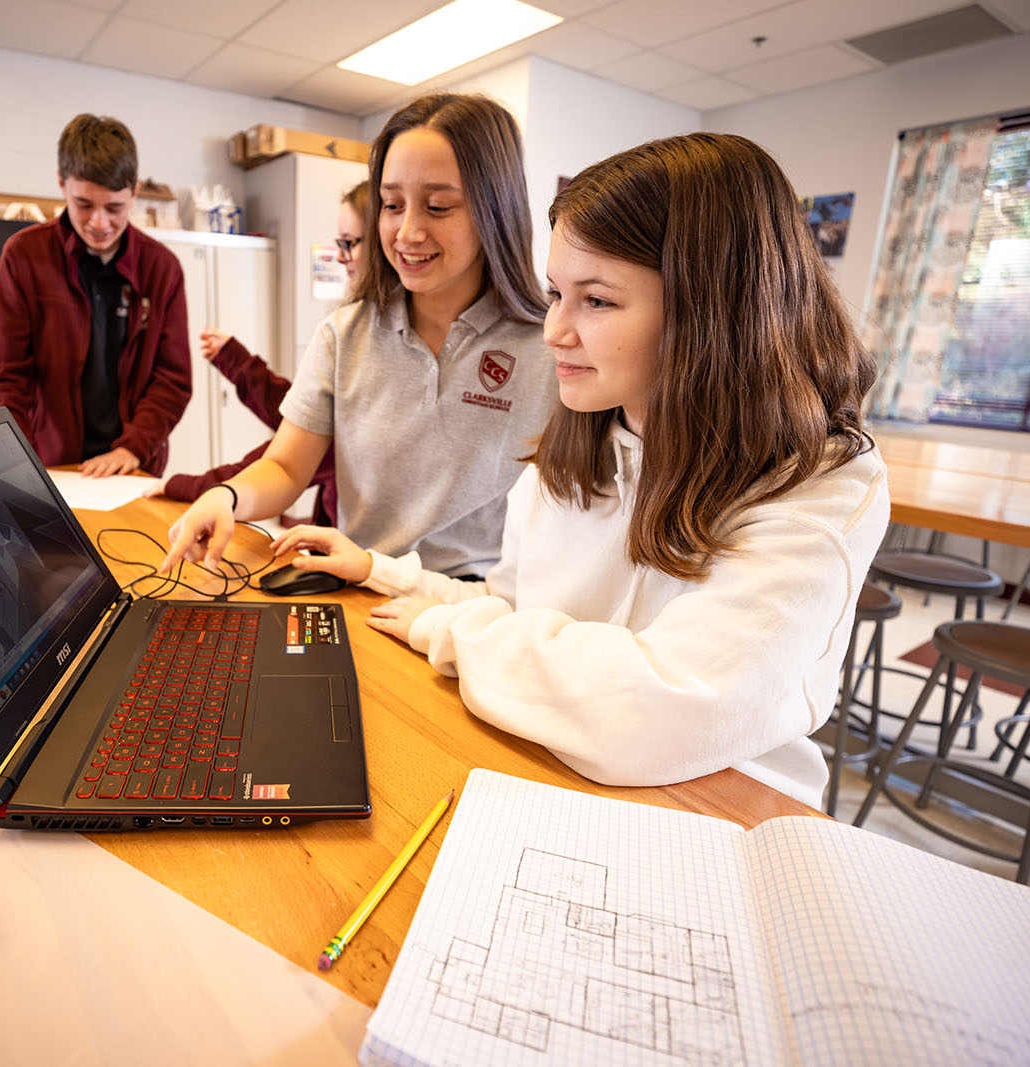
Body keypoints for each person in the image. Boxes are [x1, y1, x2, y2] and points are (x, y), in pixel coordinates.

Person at [269, 133, 890, 808]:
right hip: (560, 767)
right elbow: (513, 605)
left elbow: (657, 709)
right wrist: (381, 572)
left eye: (595, 300)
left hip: (721, 806)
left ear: (709, 310)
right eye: (555, 293)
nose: (554, 330)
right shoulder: (579, 442)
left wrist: (445, 630)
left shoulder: (820, 482)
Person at [160, 94, 557, 577]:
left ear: (496, 210)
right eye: (392, 205)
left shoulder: (550, 347)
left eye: (437, 206)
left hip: (478, 610)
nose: (407, 232)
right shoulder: (344, 335)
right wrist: (225, 496)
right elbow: (286, 467)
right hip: (360, 585)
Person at [0, 114, 190, 476]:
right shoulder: (24, 255)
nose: (99, 223)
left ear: (134, 192)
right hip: (52, 462)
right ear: (62, 185)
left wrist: (135, 446)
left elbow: (172, 378)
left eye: (114, 208)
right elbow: (5, 375)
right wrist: (17, 458)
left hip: (133, 465)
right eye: (85, 205)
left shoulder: (162, 268)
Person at [157, 182, 371, 527]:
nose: (342, 256)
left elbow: (294, 449)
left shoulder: (363, 344)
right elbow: (299, 415)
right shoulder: (347, 330)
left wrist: (191, 486)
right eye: (339, 243)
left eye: (350, 243)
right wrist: (236, 360)